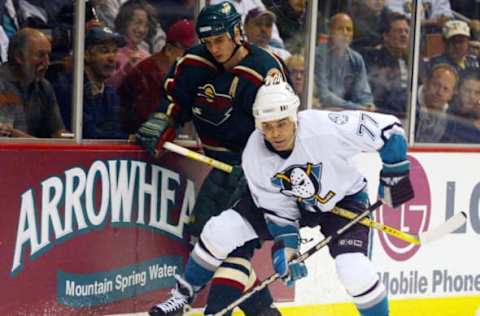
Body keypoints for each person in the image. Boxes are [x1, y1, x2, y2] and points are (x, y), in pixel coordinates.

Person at [150, 80, 414, 316]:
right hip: (290, 202)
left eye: (281, 123)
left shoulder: (326, 128)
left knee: (353, 270)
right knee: (221, 229)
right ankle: (182, 297)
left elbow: (390, 130)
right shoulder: (255, 155)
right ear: (258, 124)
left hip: (343, 200)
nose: (275, 133)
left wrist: (394, 174)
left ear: (294, 117)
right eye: (267, 126)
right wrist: (286, 253)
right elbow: (280, 214)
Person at [136, 2, 289, 315]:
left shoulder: (265, 70)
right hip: (221, 169)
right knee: (205, 245)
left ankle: (211, 308)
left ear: (237, 32)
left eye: (220, 40)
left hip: (257, 174)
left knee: (233, 252)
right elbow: (174, 100)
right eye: (208, 42)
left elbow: (284, 128)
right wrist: (164, 121)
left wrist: (264, 167)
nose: (214, 48)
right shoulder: (193, 63)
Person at [118, 19, 196, 134]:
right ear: (169, 49)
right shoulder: (147, 73)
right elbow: (149, 126)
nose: (192, 57)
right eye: (187, 51)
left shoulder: (182, 72)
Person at [52, 26, 127, 139]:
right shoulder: (69, 88)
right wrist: (128, 139)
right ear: (86, 55)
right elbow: (86, 134)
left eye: (115, 51)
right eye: (104, 51)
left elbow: (114, 128)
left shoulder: (110, 93)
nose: (112, 58)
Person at [0, 27, 65, 138]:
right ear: (19, 56)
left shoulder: (44, 87)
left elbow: (58, 132)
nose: (47, 63)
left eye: (48, 55)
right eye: (41, 55)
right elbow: (5, 134)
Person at [314, 13, 375, 111]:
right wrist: (358, 108)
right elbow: (324, 96)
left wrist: (368, 104)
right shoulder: (318, 55)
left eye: (349, 29)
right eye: (340, 28)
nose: (345, 33)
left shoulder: (356, 59)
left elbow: (362, 92)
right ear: (330, 31)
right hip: (323, 111)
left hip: (349, 114)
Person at [363, 12, 410, 118]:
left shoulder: (414, 62)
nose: (404, 35)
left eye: (406, 31)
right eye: (398, 31)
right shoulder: (374, 59)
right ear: (386, 36)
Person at [107, 0, 153, 88]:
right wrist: (125, 70)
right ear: (124, 22)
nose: (142, 30)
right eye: (137, 23)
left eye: (146, 25)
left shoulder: (147, 56)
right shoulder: (110, 51)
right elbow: (105, 86)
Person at [415, 63, 458, 142]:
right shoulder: (403, 105)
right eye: (436, 85)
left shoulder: (453, 119)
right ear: (426, 83)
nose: (439, 92)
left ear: (451, 95)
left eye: (446, 89)